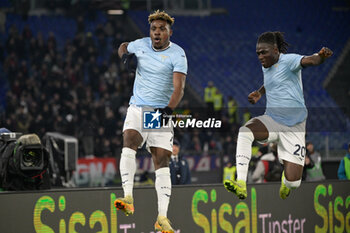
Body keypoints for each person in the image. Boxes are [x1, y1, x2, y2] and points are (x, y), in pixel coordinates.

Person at [224, 31, 333, 200]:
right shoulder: (266, 65)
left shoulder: (289, 61)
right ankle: (241, 183)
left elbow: (310, 60)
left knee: (293, 182)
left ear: (275, 50)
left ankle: (286, 179)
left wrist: (321, 56)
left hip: (294, 126)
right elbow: (272, 81)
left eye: (264, 52)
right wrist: (260, 93)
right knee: (245, 132)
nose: (260, 56)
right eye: (258, 53)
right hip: (272, 119)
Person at [113, 10, 187, 233]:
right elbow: (123, 45)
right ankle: (127, 197)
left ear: (169, 32)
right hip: (138, 106)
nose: (156, 32)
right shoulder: (142, 44)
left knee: (161, 160)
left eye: (161, 29)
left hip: (160, 112)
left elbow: (179, 88)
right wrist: (124, 55)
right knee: (129, 140)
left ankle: (162, 218)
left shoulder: (178, 54)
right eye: (154, 28)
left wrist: (169, 110)